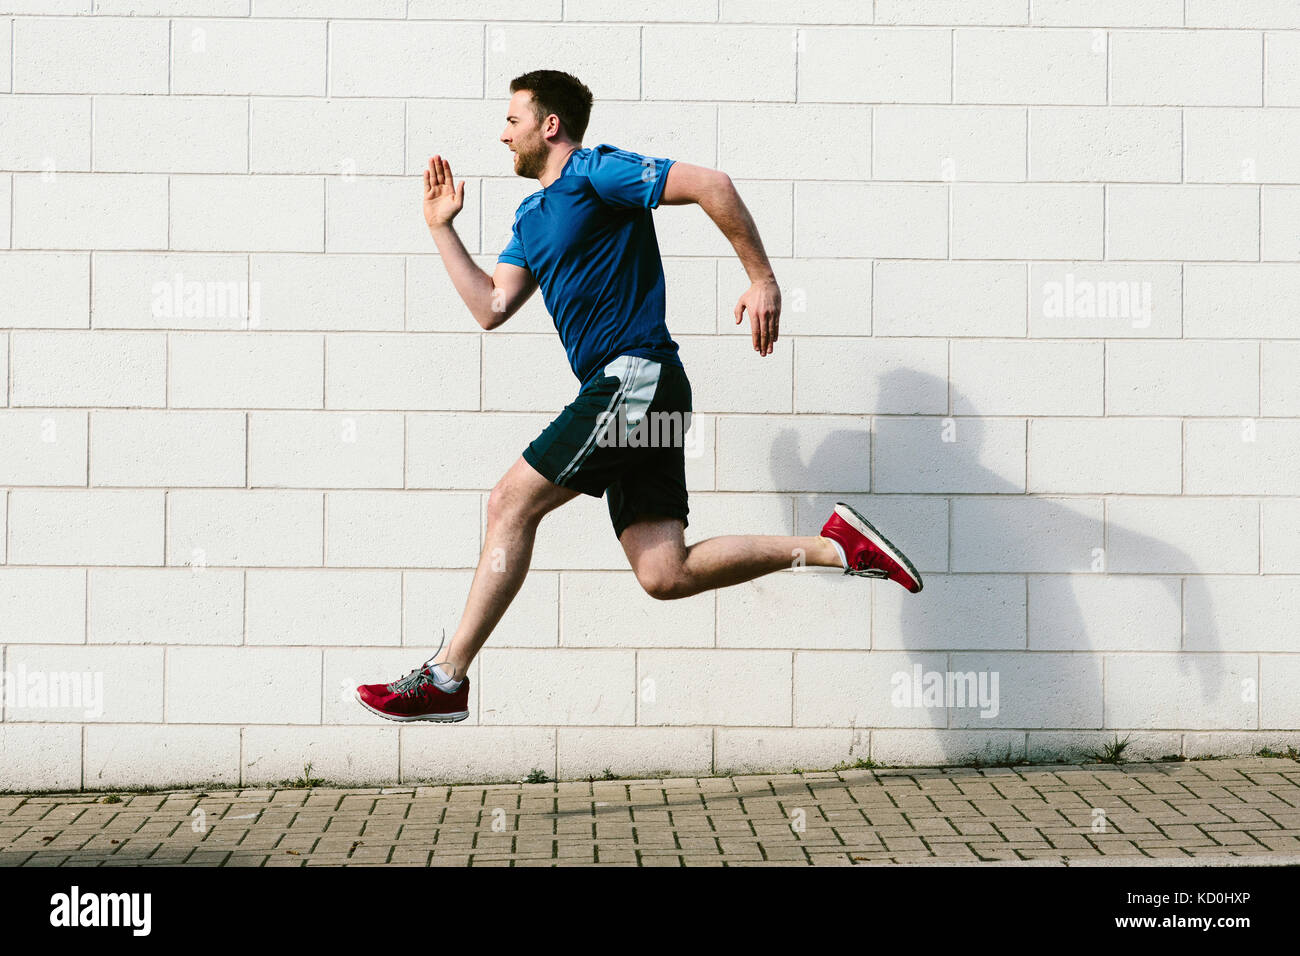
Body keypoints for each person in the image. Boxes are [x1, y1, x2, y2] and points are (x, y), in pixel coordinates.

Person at [356, 70, 922, 723]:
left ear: (550, 125)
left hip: (636, 378)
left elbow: (713, 185)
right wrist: (441, 229)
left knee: (510, 500)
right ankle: (836, 547)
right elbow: (491, 305)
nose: (501, 133)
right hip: (637, 393)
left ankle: (448, 676)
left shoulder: (596, 172)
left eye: (512, 120)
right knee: (664, 573)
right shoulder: (531, 216)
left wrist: (761, 278)